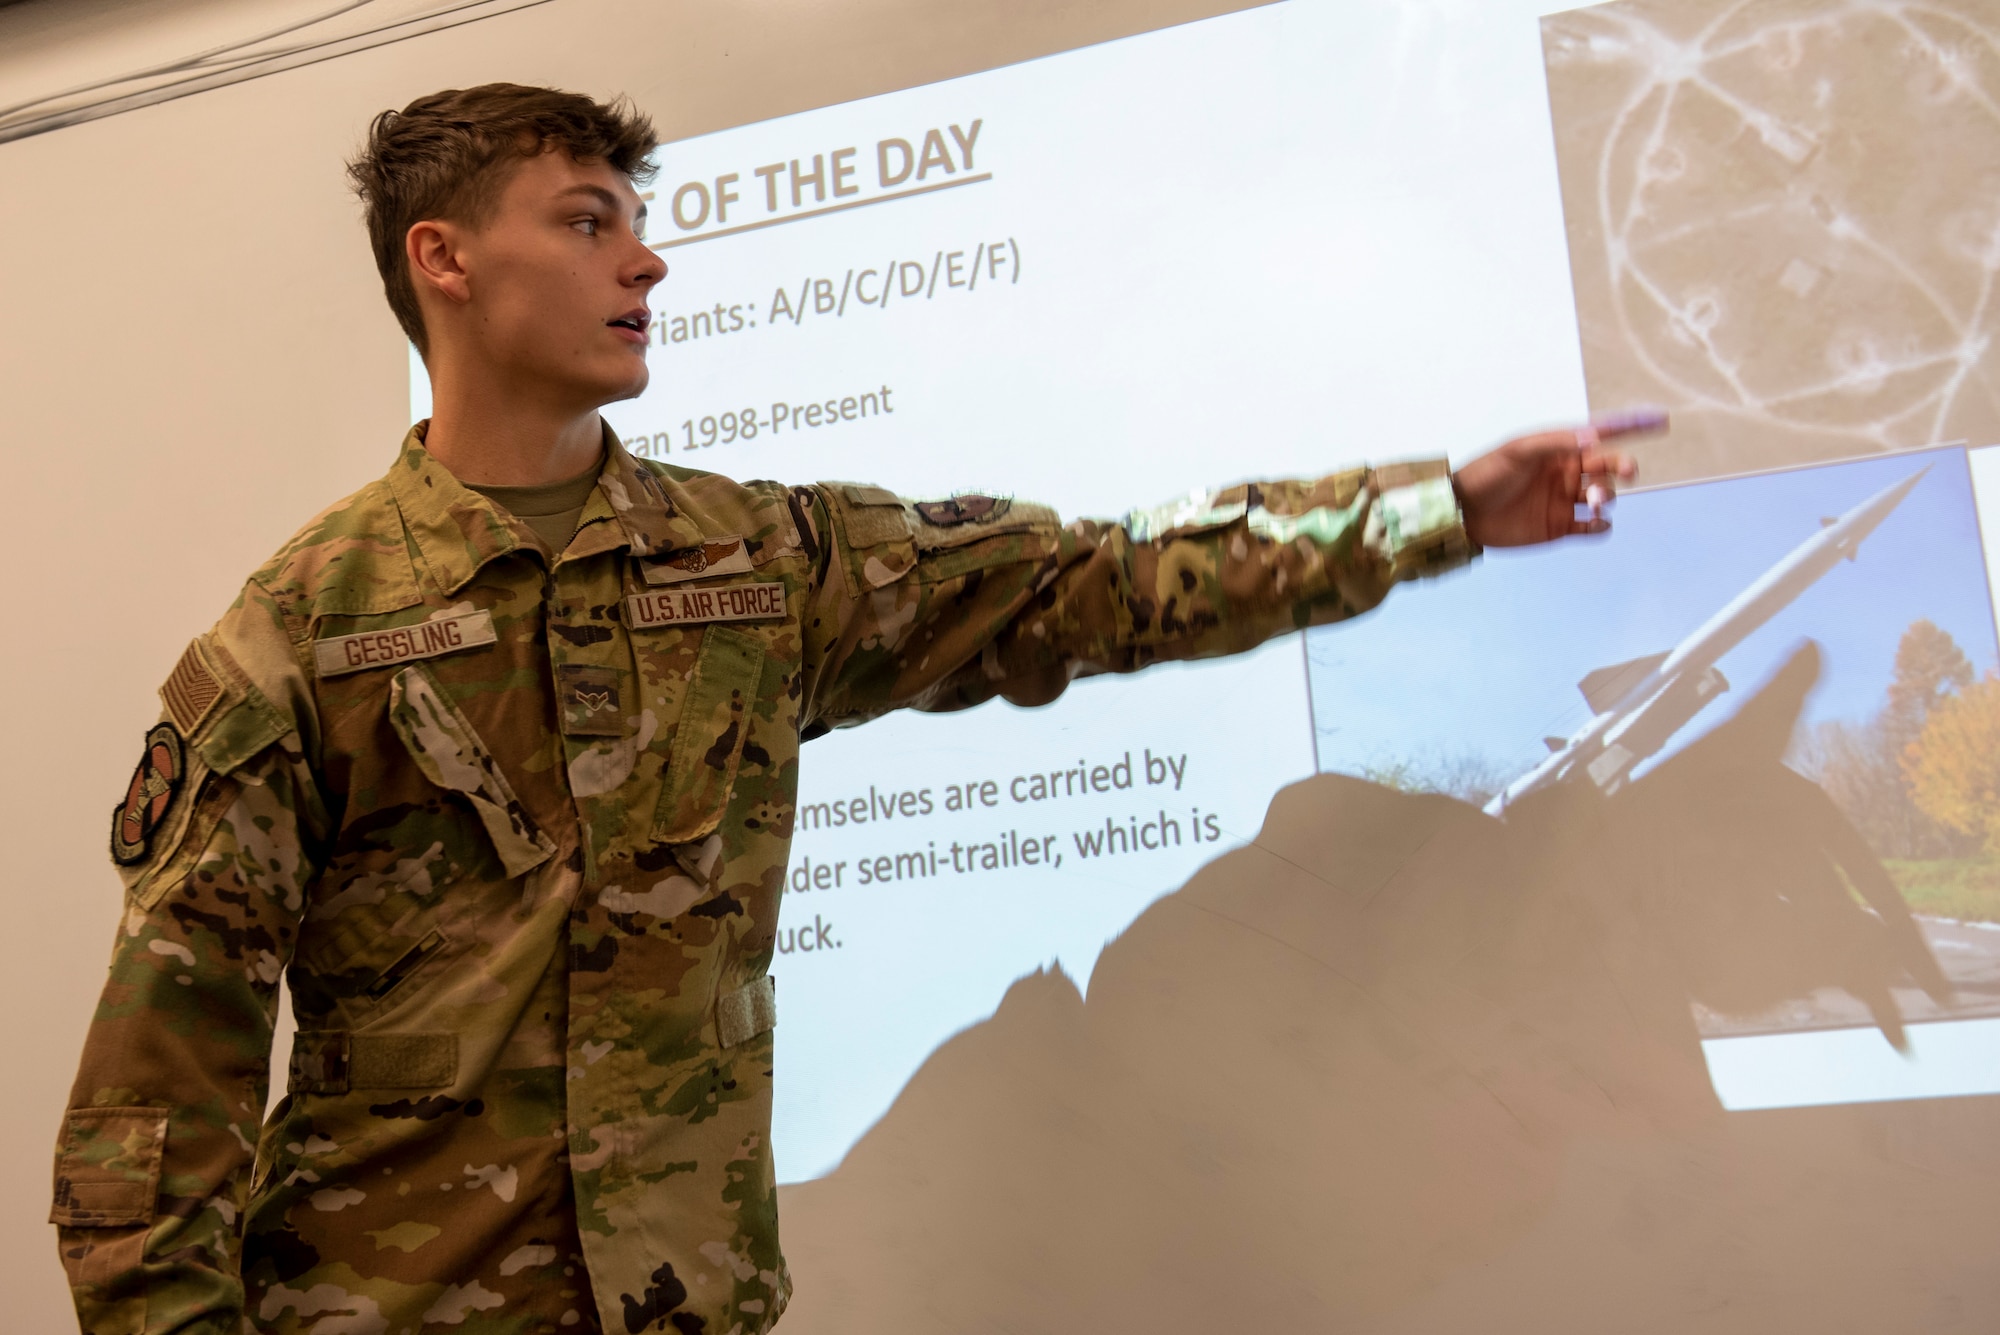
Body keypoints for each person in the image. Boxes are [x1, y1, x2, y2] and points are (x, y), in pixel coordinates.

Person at [51, 83, 1657, 1335]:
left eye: (640, 222)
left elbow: (1091, 581)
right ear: (445, 259)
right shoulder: (306, 637)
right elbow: (153, 1109)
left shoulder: (760, 563)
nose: (649, 258)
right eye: (592, 219)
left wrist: (1439, 506)